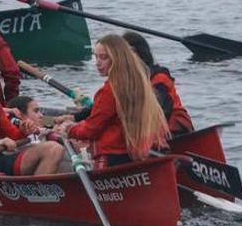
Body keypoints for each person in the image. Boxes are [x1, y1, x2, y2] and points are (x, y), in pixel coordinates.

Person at [59, 34, 170, 169]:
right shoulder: (140, 85)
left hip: (111, 158)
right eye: (96, 56)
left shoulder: (109, 91)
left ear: (117, 59)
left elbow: (90, 131)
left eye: (104, 57)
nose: (97, 62)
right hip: (137, 155)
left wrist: (68, 128)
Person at [123, 31, 194, 136]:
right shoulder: (129, 80)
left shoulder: (159, 78)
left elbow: (162, 110)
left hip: (175, 129)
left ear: (135, 52)